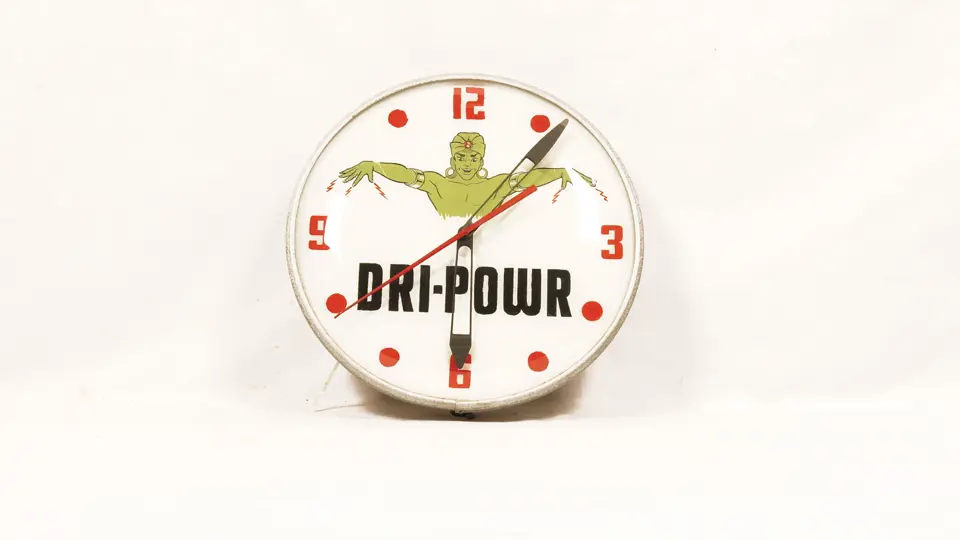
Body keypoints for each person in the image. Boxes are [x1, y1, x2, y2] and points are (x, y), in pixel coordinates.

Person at [338, 132, 594, 219]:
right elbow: (406, 175)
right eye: (461, 157)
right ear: (452, 160)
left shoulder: (497, 184)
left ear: (481, 161)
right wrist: (375, 166)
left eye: (473, 158)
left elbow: (527, 179)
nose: (467, 163)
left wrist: (561, 172)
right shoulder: (437, 183)